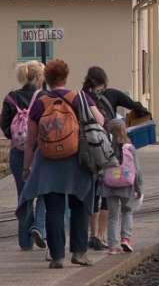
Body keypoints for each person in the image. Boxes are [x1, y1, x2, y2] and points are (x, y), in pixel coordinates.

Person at [20, 59, 105, 268]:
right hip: (77, 160)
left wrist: (27, 167)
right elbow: (100, 121)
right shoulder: (79, 97)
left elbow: (30, 140)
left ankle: (57, 256)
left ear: (46, 80)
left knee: (54, 209)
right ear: (66, 77)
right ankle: (79, 253)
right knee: (80, 206)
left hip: (48, 162)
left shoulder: (40, 102)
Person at [82, 66, 149, 251]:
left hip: (87, 149)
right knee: (105, 194)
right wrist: (139, 116)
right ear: (104, 80)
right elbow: (136, 107)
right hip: (107, 148)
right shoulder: (112, 94)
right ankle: (102, 237)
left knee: (91, 192)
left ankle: (92, 234)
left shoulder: (81, 96)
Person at [2, 61, 47, 251]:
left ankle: (24, 242)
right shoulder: (44, 97)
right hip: (41, 152)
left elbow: (5, 128)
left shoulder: (10, 97)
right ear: (39, 77)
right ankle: (39, 226)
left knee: (24, 196)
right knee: (45, 192)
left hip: (17, 153)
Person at [100, 120, 142, 254]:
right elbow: (137, 170)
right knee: (127, 212)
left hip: (110, 186)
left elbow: (101, 167)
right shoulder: (130, 148)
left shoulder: (106, 148)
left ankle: (113, 246)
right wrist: (139, 187)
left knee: (112, 216)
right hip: (127, 185)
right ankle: (125, 239)